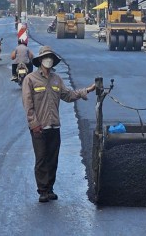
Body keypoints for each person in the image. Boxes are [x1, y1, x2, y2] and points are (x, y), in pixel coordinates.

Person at [21, 46, 96, 202]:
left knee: (53, 160)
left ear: (53, 61)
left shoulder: (57, 79)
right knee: (41, 159)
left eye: (50, 58)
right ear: (40, 60)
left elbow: (68, 95)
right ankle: (42, 191)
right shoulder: (30, 79)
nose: (48, 60)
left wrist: (87, 90)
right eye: (45, 57)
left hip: (54, 126)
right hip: (39, 127)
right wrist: (34, 123)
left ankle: (50, 188)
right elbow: (28, 105)